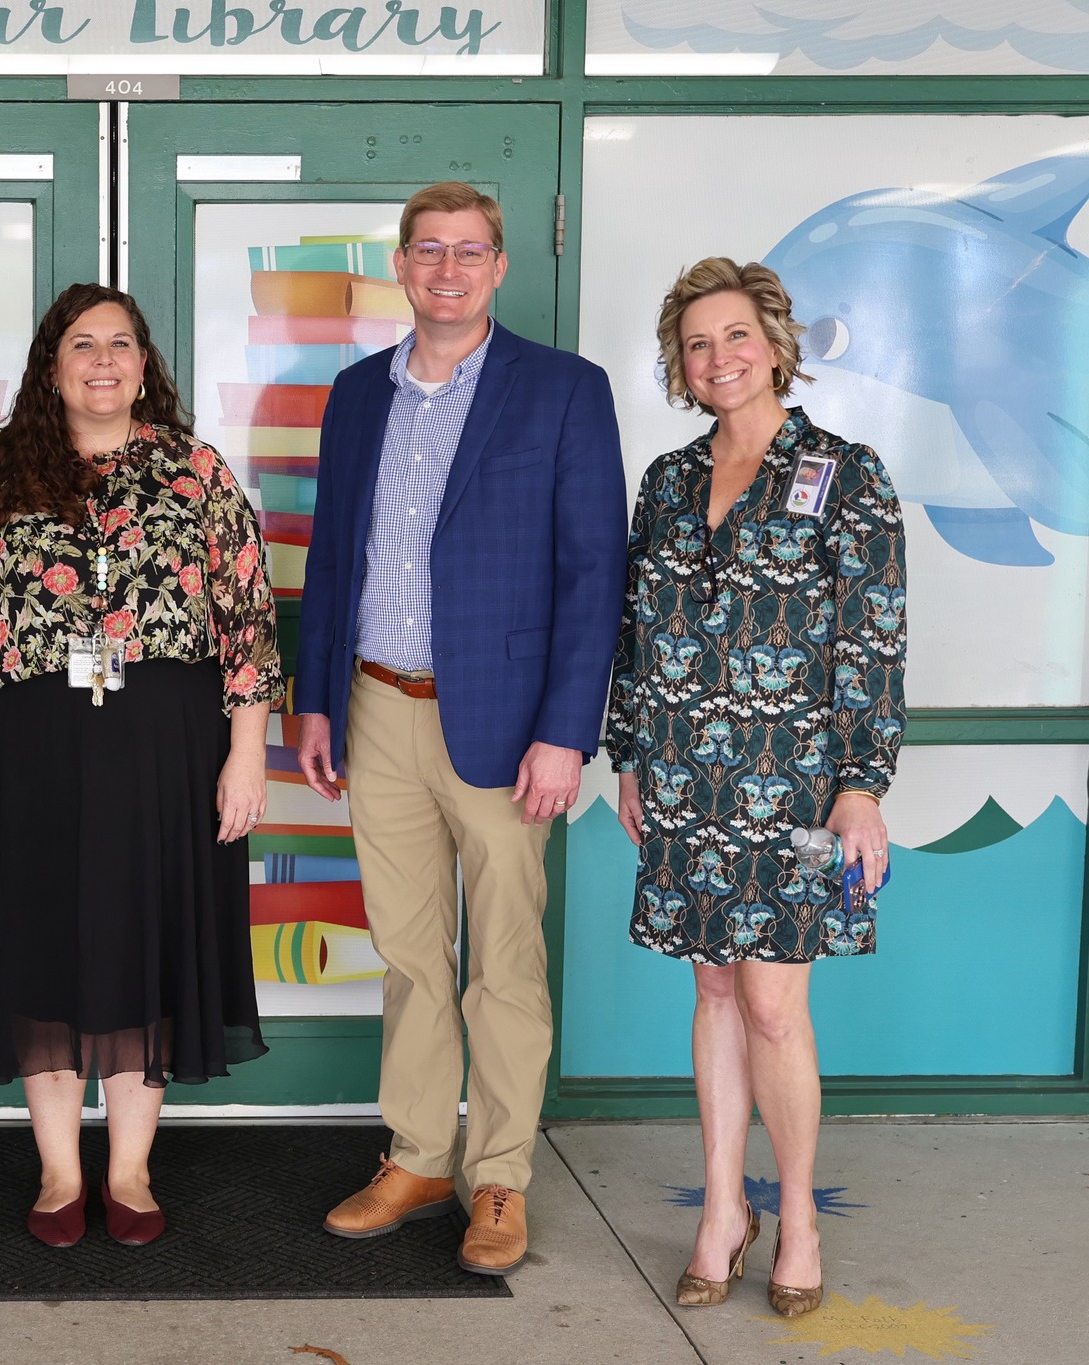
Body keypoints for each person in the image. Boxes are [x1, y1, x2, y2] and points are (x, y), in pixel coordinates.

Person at [0, 283, 282, 1249]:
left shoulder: (195, 471)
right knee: (42, 945)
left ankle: (131, 1169)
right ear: (52, 366)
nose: (103, 361)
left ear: (144, 366)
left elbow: (248, 619)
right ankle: (61, 1170)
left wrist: (246, 755)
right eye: (82, 344)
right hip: (25, 748)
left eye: (120, 344)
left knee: (145, 943)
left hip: (166, 748)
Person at [293, 182, 626, 1276]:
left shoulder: (564, 390)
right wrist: (314, 699)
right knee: (407, 954)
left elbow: (594, 573)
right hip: (375, 704)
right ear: (399, 265)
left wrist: (565, 731)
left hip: (506, 725)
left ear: (498, 267)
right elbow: (331, 557)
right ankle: (418, 1155)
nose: (447, 269)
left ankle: (500, 1175)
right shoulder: (356, 394)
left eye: (468, 251)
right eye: (427, 250)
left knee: (505, 962)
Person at [606, 257, 904, 1317]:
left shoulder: (846, 473)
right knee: (714, 991)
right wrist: (627, 753)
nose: (718, 356)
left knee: (775, 1004)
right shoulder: (666, 480)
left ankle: (800, 1218)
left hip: (799, 785)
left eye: (735, 335)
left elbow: (872, 640)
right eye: (697, 344)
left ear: (775, 346)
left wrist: (861, 785)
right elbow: (635, 632)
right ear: (679, 367)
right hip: (683, 774)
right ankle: (723, 1209)